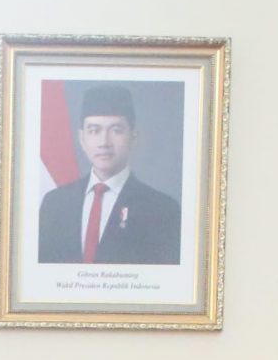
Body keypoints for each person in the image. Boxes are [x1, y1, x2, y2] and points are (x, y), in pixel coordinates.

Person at [36, 83, 182, 265]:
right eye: (94, 131)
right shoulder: (54, 204)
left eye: (116, 130)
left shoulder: (162, 211)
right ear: (82, 138)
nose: (104, 142)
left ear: (133, 137)